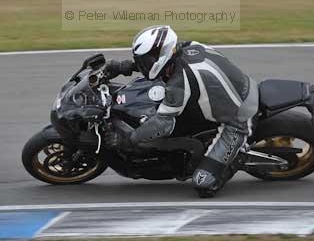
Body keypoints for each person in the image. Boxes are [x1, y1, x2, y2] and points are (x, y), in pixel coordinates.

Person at [107, 25, 259, 197]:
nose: (143, 64)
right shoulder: (187, 47)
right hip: (236, 90)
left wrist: (129, 139)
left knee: (203, 183)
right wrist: (126, 66)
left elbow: (162, 124)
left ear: (161, 55)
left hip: (238, 119)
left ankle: (237, 157)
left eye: (145, 60)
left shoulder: (180, 82)